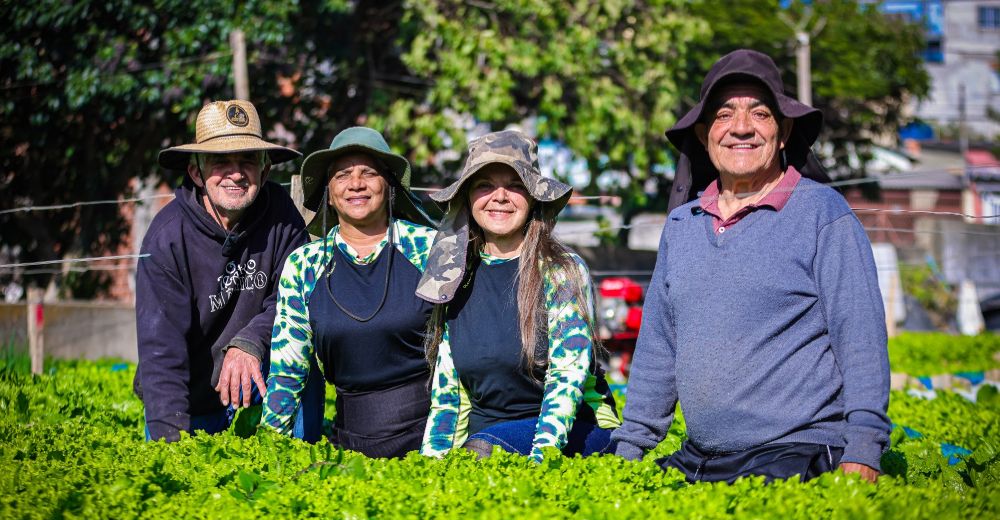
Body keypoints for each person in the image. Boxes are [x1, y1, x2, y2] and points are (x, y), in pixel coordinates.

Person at [611, 50, 891, 483]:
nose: (741, 127)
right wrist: (628, 452)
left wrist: (865, 447)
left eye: (759, 114)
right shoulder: (682, 224)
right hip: (700, 457)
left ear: (783, 133)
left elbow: (860, 337)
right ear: (705, 135)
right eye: (725, 115)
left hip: (797, 449)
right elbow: (657, 350)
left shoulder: (822, 214)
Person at [417, 130, 620, 462]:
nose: (499, 197)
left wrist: (540, 463)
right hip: (485, 442)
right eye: (484, 185)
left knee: (484, 447)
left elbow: (567, 379)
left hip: (571, 433)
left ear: (534, 196)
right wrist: (431, 470)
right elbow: (449, 397)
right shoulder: (453, 277)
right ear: (468, 197)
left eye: (515, 185)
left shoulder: (562, 271)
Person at [136, 99, 310, 442]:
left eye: (247, 159)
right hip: (193, 401)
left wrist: (249, 341)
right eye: (220, 162)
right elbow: (161, 351)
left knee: (302, 355)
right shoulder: (167, 237)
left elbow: (299, 297)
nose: (235, 172)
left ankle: (295, 461)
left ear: (265, 168)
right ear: (196, 172)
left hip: (259, 388)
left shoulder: (281, 215)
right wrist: (170, 444)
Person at [262, 126, 438, 458]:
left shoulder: (427, 249)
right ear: (328, 192)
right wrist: (269, 450)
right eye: (342, 175)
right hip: (350, 443)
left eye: (368, 173)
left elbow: (454, 360)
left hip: (426, 436)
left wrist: (438, 452)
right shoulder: (305, 265)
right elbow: (288, 367)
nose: (356, 183)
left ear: (388, 185)